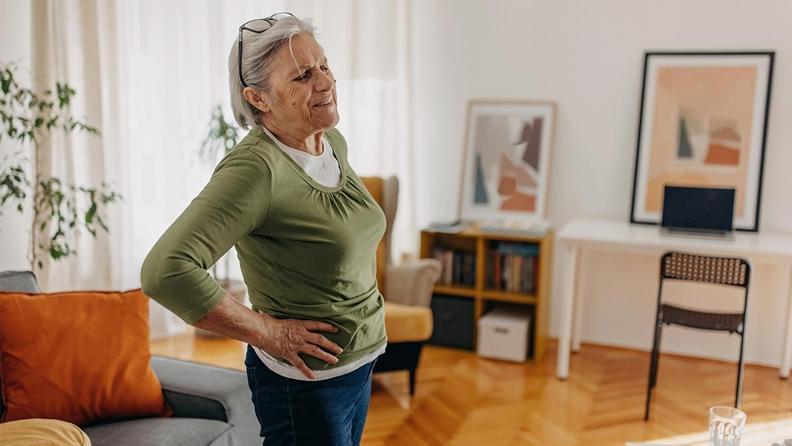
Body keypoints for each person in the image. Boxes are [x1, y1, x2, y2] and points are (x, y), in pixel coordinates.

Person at [140, 13, 387, 445]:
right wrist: (268, 332)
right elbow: (166, 270)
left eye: (324, 65)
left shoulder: (330, 142)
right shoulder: (255, 170)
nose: (325, 82)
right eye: (302, 76)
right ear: (258, 98)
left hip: (358, 364)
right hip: (306, 382)